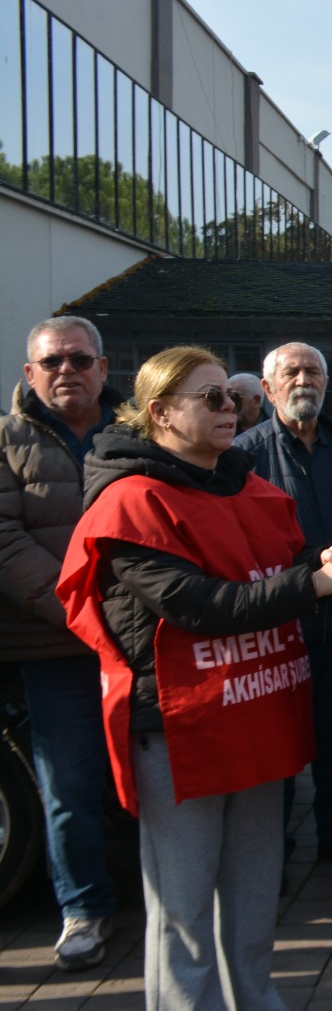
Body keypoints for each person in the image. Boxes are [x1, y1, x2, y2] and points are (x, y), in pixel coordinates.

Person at [56, 346, 332, 1010]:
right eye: (210, 398)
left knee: (254, 896)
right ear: (160, 412)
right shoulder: (129, 502)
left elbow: (291, 562)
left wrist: (330, 556)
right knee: (184, 906)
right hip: (180, 727)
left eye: (229, 396)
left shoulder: (253, 490)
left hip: (257, 711)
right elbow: (196, 604)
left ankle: (256, 1000)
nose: (230, 408)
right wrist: (313, 583)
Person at [0, 315, 121, 970]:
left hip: (139, 644)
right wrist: (83, 614)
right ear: (29, 373)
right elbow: (5, 543)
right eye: (52, 362)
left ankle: (167, 895)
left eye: (79, 359)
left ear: (103, 367)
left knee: (153, 781)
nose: (66, 370)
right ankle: (84, 908)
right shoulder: (3, 441)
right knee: (68, 786)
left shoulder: (137, 432)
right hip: (56, 648)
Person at [235, 342, 332, 873]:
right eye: (291, 372)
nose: (303, 380)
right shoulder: (242, 456)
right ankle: (276, 852)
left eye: (313, 371)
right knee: (281, 746)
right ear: (267, 389)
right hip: (280, 623)